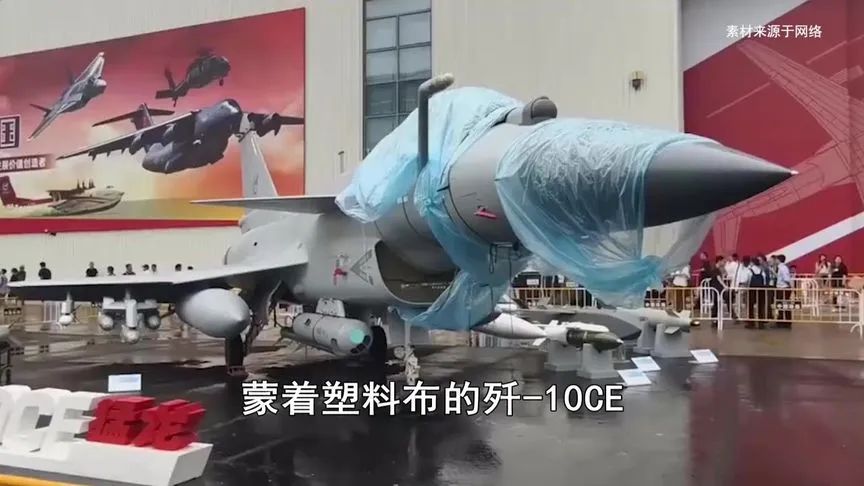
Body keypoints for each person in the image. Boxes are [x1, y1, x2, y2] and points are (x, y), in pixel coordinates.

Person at [747, 255, 769, 329]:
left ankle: (751, 323)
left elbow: (748, 280)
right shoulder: (762, 271)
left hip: (752, 289)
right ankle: (761, 323)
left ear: (752, 263)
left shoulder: (750, 270)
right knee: (760, 306)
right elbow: (764, 281)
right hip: (761, 289)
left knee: (750, 306)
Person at [776, 255, 792, 328]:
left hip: (784, 288)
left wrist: (789, 287)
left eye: (776, 259)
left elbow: (786, 279)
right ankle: (781, 321)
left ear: (779, 260)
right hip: (781, 288)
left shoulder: (783, 268)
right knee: (780, 305)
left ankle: (787, 322)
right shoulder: (780, 268)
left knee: (785, 305)